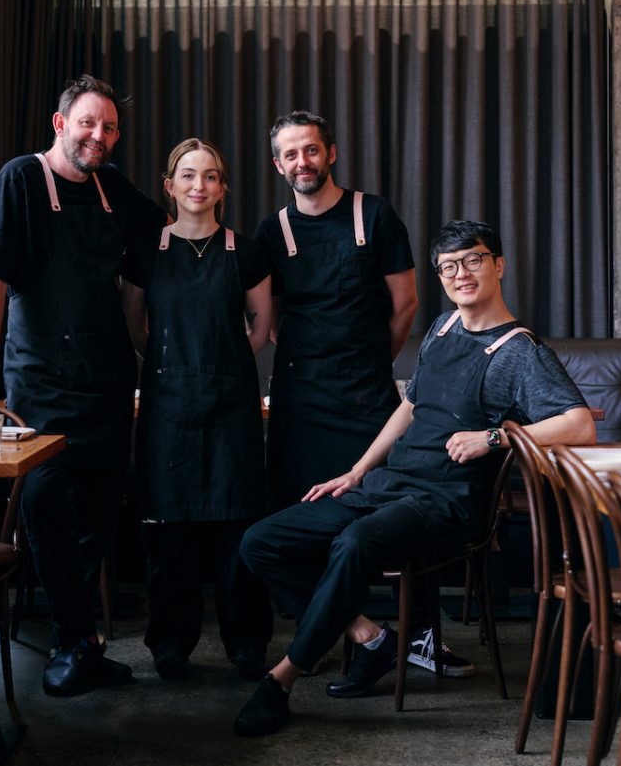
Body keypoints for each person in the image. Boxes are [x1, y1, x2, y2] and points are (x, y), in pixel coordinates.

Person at [232, 220, 597, 736]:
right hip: (392, 486)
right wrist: (358, 472)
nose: (460, 273)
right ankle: (372, 638)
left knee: (353, 543)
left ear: (498, 265)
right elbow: (410, 406)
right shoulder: (443, 329)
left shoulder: (519, 350)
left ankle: (282, 679)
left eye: (472, 260)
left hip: (449, 503)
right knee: (261, 542)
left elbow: (580, 425)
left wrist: (494, 438)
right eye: (448, 266)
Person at [0, 75, 168, 697]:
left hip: (108, 383)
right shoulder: (21, 180)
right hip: (40, 382)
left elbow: (171, 236)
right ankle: (68, 639)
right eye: (88, 123)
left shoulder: (116, 192)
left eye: (109, 127)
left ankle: (81, 643)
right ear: (61, 124)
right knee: (47, 504)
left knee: (100, 515)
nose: (99, 136)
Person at [120, 139, 274, 682]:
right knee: (170, 534)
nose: (198, 186)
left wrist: (222, 363)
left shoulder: (246, 250)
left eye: (210, 177)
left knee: (239, 529)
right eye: (188, 176)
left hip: (232, 405)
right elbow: (136, 325)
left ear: (223, 189)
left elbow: (259, 327)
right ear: (170, 185)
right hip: (167, 407)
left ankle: (247, 643)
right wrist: (176, 364)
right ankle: (170, 645)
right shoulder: (145, 250)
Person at [255, 110, 419, 510]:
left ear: (331, 153)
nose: (303, 162)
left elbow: (406, 303)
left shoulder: (376, 214)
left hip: (367, 398)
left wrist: (374, 359)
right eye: (291, 155)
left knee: (369, 511)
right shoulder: (271, 232)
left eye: (311, 150)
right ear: (279, 166)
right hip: (299, 403)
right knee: (296, 509)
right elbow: (271, 317)